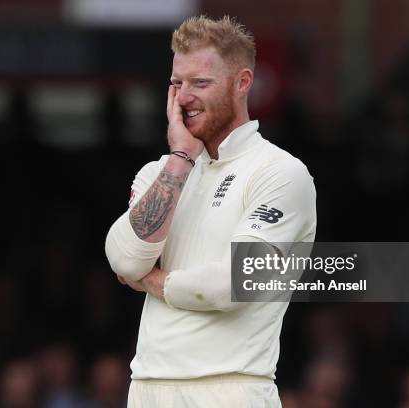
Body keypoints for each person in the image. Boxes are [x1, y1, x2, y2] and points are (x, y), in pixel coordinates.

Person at [105, 15, 316, 407]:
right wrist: (181, 158)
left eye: (200, 83)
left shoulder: (281, 173)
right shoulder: (162, 171)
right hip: (147, 387)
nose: (184, 97)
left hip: (233, 387)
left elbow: (235, 283)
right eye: (176, 83)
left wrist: (155, 282)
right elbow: (122, 257)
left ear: (242, 83)